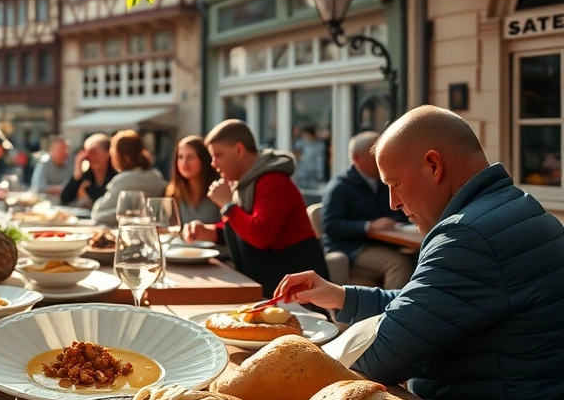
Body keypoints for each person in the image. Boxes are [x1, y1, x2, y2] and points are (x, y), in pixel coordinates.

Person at [276, 105, 564, 400]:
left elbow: (385, 359)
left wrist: (299, 361)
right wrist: (341, 297)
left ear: (433, 165)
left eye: (394, 184)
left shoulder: (469, 235)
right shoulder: (516, 209)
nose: (393, 202)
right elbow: (426, 304)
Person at [184, 119, 328, 296]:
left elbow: (261, 236)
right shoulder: (245, 183)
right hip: (270, 285)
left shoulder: (273, 181)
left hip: (297, 294)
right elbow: (245, 227)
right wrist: (210, 232)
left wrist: (228, 206)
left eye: (218, 155)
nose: (213, 163)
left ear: (239, 150)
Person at [321, 131, 413, 289]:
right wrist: (368, 226)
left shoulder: (383, 183)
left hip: (383, 243)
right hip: (350, 248)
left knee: (419, 256)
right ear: (357, 158)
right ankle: (393, 305)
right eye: (375, 155)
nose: (382, 159)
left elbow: (396, 213)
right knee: (399, 263)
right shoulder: (339, 187)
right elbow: (331, 225)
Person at [91, 131, 167, 226]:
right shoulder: (156, 176)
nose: (111, 157)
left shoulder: (123, 180)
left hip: (127, 230)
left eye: (113, 153)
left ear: (121, 155)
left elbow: (98, 212)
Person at [166, 135, 221, 226]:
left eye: (190, 157)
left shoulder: (219, 190)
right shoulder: (173, 193)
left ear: (204, 159)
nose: (184, 163)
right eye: (180, 157)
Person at [60, 133, 117, 208]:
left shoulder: (116, 176)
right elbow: (65, 199)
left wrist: (87, 194)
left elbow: (108, 202)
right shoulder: (87, 175)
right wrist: (77, 171)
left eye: (94, 152)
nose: (90, 156)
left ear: (108, 153)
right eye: (87, 153)